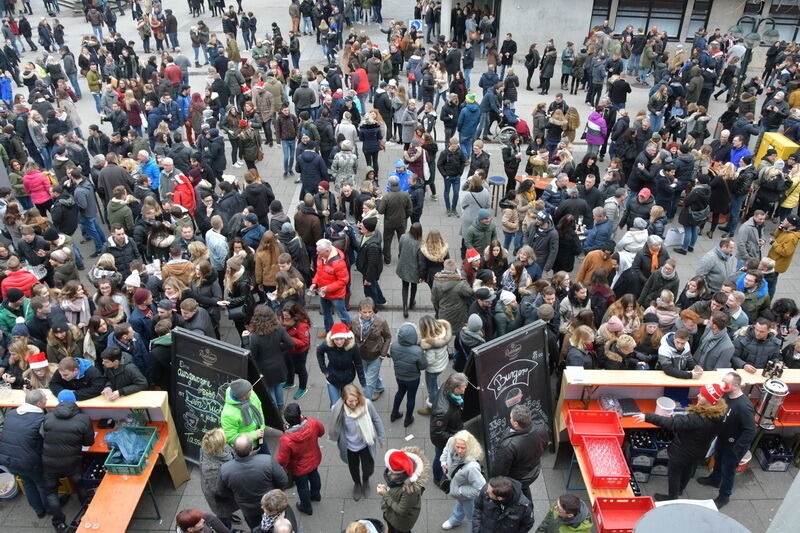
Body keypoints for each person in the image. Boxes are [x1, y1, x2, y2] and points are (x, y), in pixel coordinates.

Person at [634, 382, 728, 501]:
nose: (698, 396)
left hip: (683, 451)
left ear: (710, 400)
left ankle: (672, 497)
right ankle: (680, 489)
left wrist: (647, 417)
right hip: (700, 449)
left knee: (674, 472)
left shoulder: (697, 419)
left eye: (703, 395)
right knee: (688, 469)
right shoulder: (719, 414)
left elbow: (672, 424)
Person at [697, 372, 757, 508]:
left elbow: (750, 430)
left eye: (726, 382)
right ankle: (715, 479)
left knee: (728, 471)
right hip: (723, 439)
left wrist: (737, 448)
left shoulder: (744, 407)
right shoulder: (726, 396)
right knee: (718, 460)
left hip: (733, 445)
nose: (722, 384)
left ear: (735, 386)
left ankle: (724, 496)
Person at [42, 389, 95, 531]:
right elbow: (89, 443)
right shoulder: (83, 419)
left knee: (51, 492)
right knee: (79, 485)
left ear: (58, 402)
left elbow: (43, 435)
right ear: (74, 401)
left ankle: (59, 523)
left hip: (49, 462)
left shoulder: (48, 417)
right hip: (72, 462)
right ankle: (87, 510)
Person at [217, 434, 289, 530]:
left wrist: (237, 496)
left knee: (255, 528)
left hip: (248, 508)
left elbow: (222, 492)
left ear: (234, 449)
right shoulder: (267, 460)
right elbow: (283, 481)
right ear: (251, 448)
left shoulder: (225, 470)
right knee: (278, 527)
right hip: (272, 504)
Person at [329, 384, 387, 501]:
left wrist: (381, 438)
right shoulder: (338, 409)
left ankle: (365, 480)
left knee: (368, 468)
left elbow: (376, 420)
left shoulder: (367, 404)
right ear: (344, 400)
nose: (354, 404)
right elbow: (334, 425)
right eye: (350, 401)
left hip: (365, 444)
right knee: (353, 468)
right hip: (349, 447)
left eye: (356, 400)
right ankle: (357, 483)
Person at [0, 389, 48, 519]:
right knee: (43, 484)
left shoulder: (11, 414)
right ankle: (49, 508)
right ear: (39, 404)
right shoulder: (41, 419)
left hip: (8, 459)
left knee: (27, 483)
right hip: (29, 461)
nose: (46, 402)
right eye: (45, 400)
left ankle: (39, 511)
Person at [492, 404, 548, 502]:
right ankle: (528, 506)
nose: (509, 419)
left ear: (516, 424)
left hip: (517, 478)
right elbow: (545, 446)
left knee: (515, 496)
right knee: (524, 488)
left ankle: (522, 508)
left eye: (510, 418)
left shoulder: (508, 446)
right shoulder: (541, 428)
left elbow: (499, 472)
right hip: (533, 471)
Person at [275, 403, 325, 515]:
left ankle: (306, 506)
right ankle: (316, 495)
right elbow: (321, 432)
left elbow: (282, 460)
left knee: (302, 487)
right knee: (315, 476)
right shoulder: (312, 423)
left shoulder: (286, 439)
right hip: (314, 459)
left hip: (298, 468)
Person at [440, 430, 486, 530]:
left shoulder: (472, 467)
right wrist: (443, 462)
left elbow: (481, 488)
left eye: (463, 448)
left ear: (469, 447)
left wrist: (460, 491)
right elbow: (446, 450)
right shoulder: (451, 441)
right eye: (458, 447)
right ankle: (456, 519)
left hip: (468, 495)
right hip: (458, 487)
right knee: (460, 503)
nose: (459, 451)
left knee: (471, 518)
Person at [377, 447, 428, 533]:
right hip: (391, 516)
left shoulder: (410, 491)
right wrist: (387, 489)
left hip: (400, 523)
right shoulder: (400, 477)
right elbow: (395, 489)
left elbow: (401, 510)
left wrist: (385, 494)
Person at [430, 372, 468, 487]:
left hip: (453, 429)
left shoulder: (447, 387)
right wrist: (455, 439)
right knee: (440, 457)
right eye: (463, 387)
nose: (465, 389)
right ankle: (438, 478)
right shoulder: (443, 411)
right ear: (456, 389)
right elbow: (437, 434)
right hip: (445, 441)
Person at [350, 297, 391, 401]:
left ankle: (365, 405)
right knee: (370, 374)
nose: (367, 314)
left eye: (370, 312)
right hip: (361, 355)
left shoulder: (381, 322)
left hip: (376, 356)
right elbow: (350, 335)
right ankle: (380, 387)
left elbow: (388, 337)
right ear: (359, 311)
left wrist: (382, 354)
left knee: (368, 383)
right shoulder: (354, 321)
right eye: (364, 312)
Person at [316, 322, 366, 406]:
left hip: (348, 379)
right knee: (335, 405)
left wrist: (362, 381)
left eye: (341, 339)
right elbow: (319, 352)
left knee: (347, 403)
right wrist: (324, 370)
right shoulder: (327, 345)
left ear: (346, 338)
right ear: (332, 339)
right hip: (332, 378)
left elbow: (358, 363)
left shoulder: (352, 347)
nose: (339, 342)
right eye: (336, 339)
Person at [199, 428, 238, 530]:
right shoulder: (210, 469)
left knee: (228, 512)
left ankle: (229, 515)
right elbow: (219, 491)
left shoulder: (211, 447)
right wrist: (235, 492)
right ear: (219, 445)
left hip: (227, 494)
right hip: (221, 500)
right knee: (223, 520)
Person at [310, 238, 350, 335]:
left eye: (319, 251)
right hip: (323, 293)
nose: (317, 253)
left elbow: (343, 280)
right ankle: (329, 332)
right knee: (326, 314)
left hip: (336, 295)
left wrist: (328, 288)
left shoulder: (338, 263)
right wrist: (314, 283)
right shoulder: (321, 257)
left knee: (342, 314)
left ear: (327, 251)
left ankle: (347, 331)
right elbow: (318, 272)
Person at [220, 378, 269, 453]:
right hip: (247, 447)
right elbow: (231, 437)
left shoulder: (250, 393)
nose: (252, 389)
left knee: (267, 459)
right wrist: (254, 435)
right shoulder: (228, 414)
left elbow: (259, 408)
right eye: (249, 390)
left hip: (260, 435)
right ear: (243, 397)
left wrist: (262, 426)